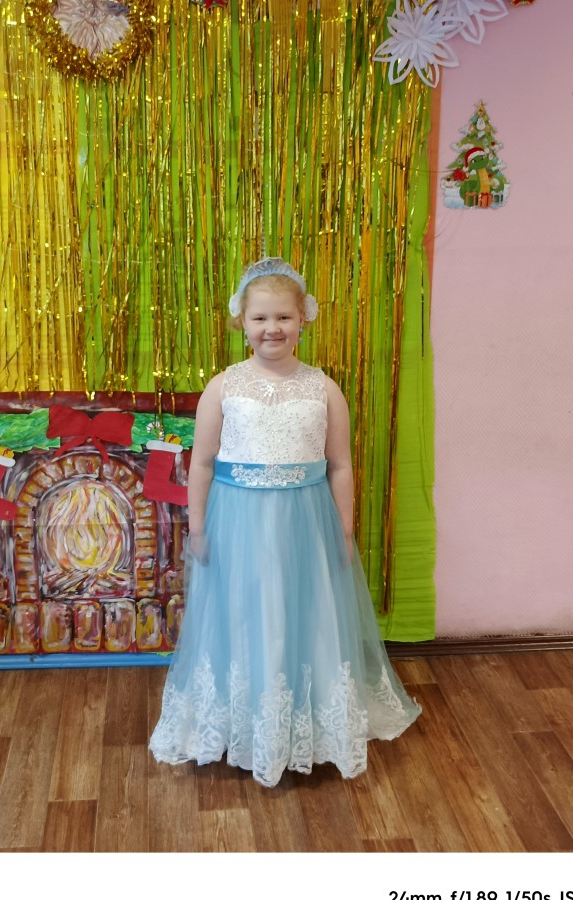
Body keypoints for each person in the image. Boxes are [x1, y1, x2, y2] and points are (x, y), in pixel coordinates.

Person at [149, 257, 420, 788]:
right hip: (239, 521)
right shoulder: (224, 387)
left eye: (283, 318)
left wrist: (343, 528)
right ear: (241, 322)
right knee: (245, 614)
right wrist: (198, 526)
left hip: (306, 521)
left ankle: (307, 724)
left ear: (303, 319)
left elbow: (340, 465)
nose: (271, 328)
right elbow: (201, 463)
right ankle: (246, 723)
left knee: (306, 612)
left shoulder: (323, 388)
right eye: (260, 318)